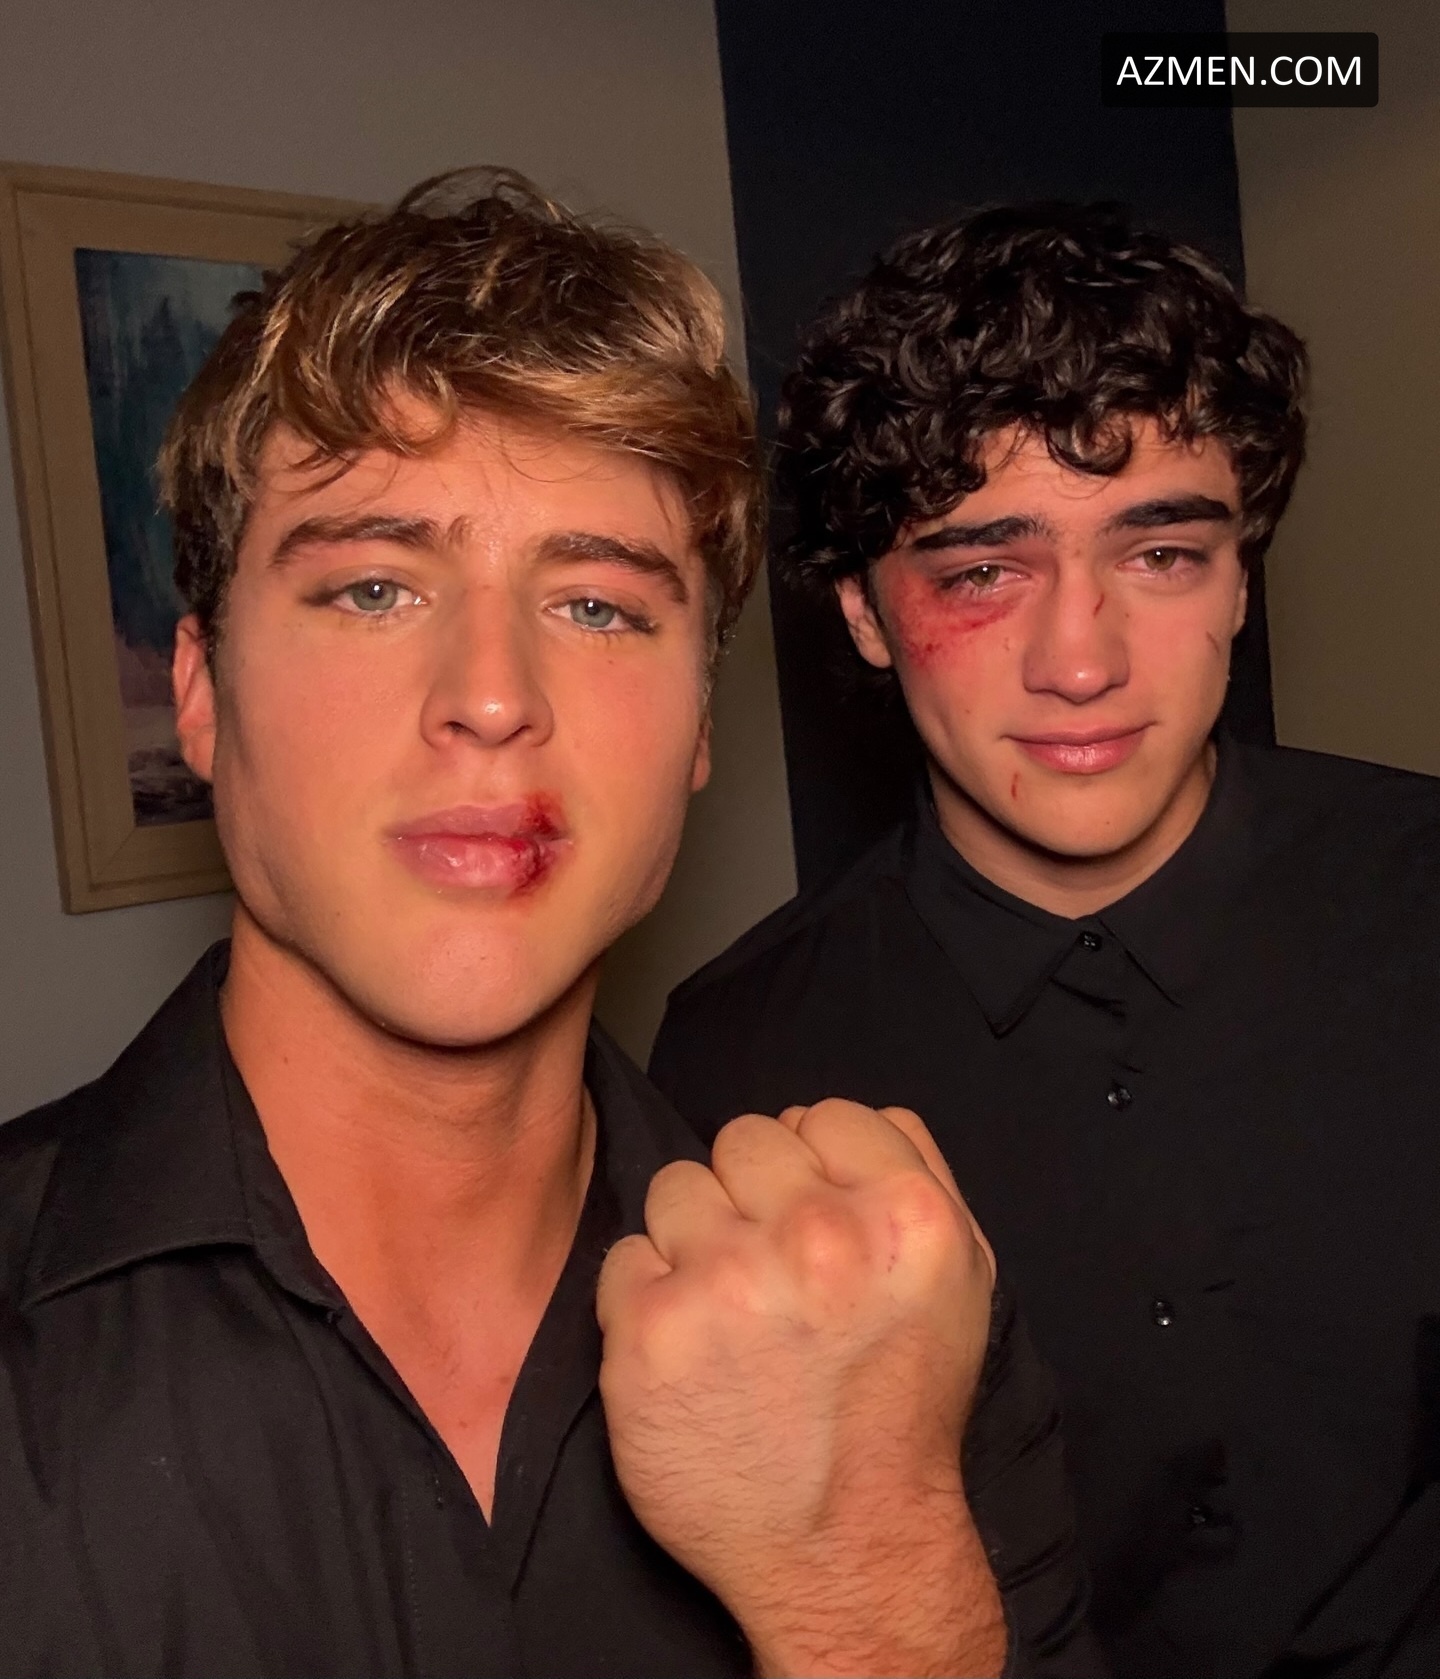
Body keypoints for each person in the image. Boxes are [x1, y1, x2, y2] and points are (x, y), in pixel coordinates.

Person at [0, 172, 1100, 1679]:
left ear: (698, 731)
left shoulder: (894, 1324)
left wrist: (866, 1578)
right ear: (201, 692)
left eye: (597, 608)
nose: (493, 696)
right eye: (374, 588)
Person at [650, 202, 1440, 1679]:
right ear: (865, 615)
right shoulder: (737, 1059)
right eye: (980, 573)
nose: (1081, 662)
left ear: (1241, 577)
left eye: (1162, 555)